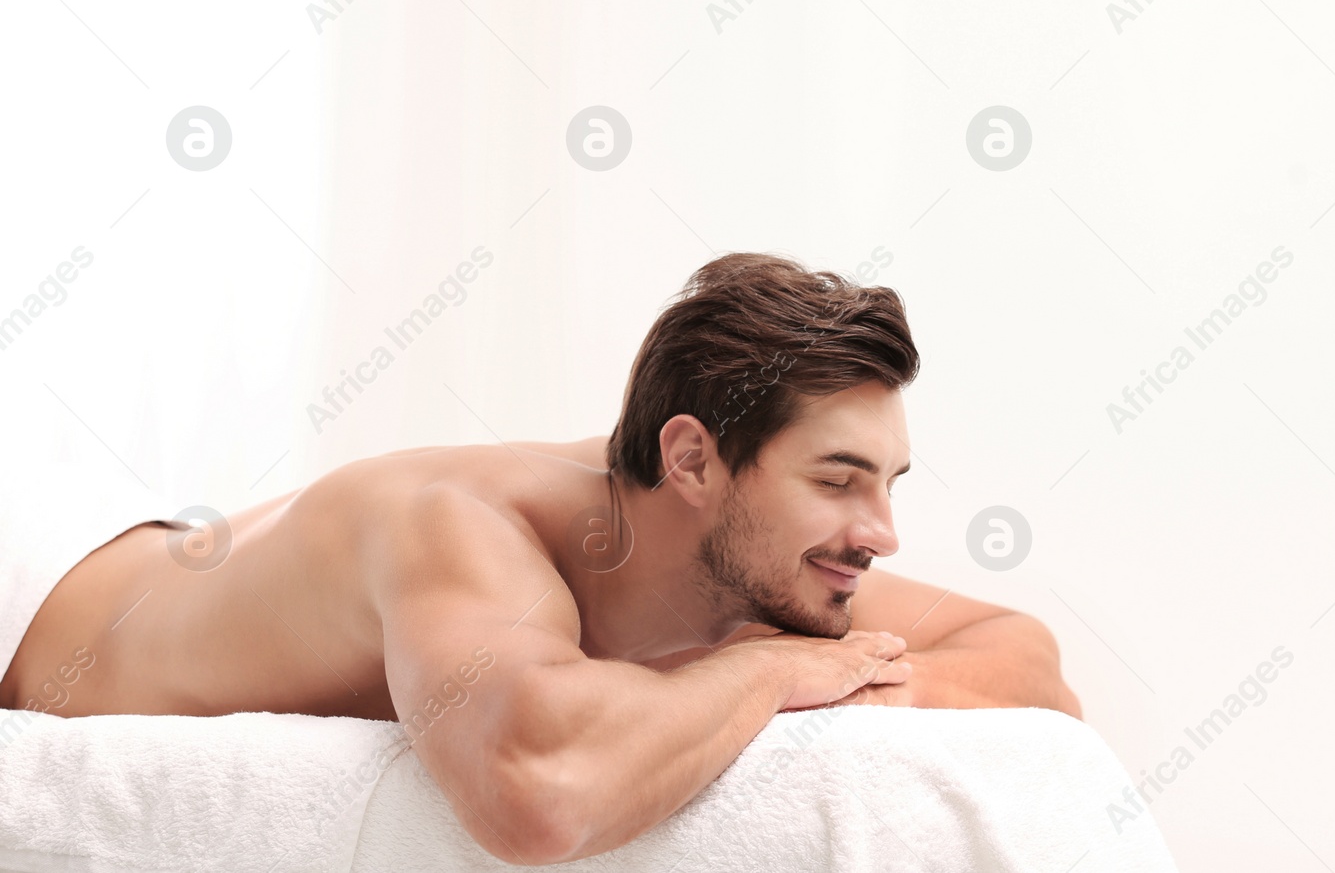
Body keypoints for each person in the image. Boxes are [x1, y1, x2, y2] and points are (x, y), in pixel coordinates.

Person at [0, 251, 1079, 865]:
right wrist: (769, 671)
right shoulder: (460, 526)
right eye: (838, 479)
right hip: (34, 589)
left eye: (890, 483)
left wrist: (833, 671)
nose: (880, 531)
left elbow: (1024, 660)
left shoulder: (747, 549)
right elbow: (540, 792)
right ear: (693, 457)